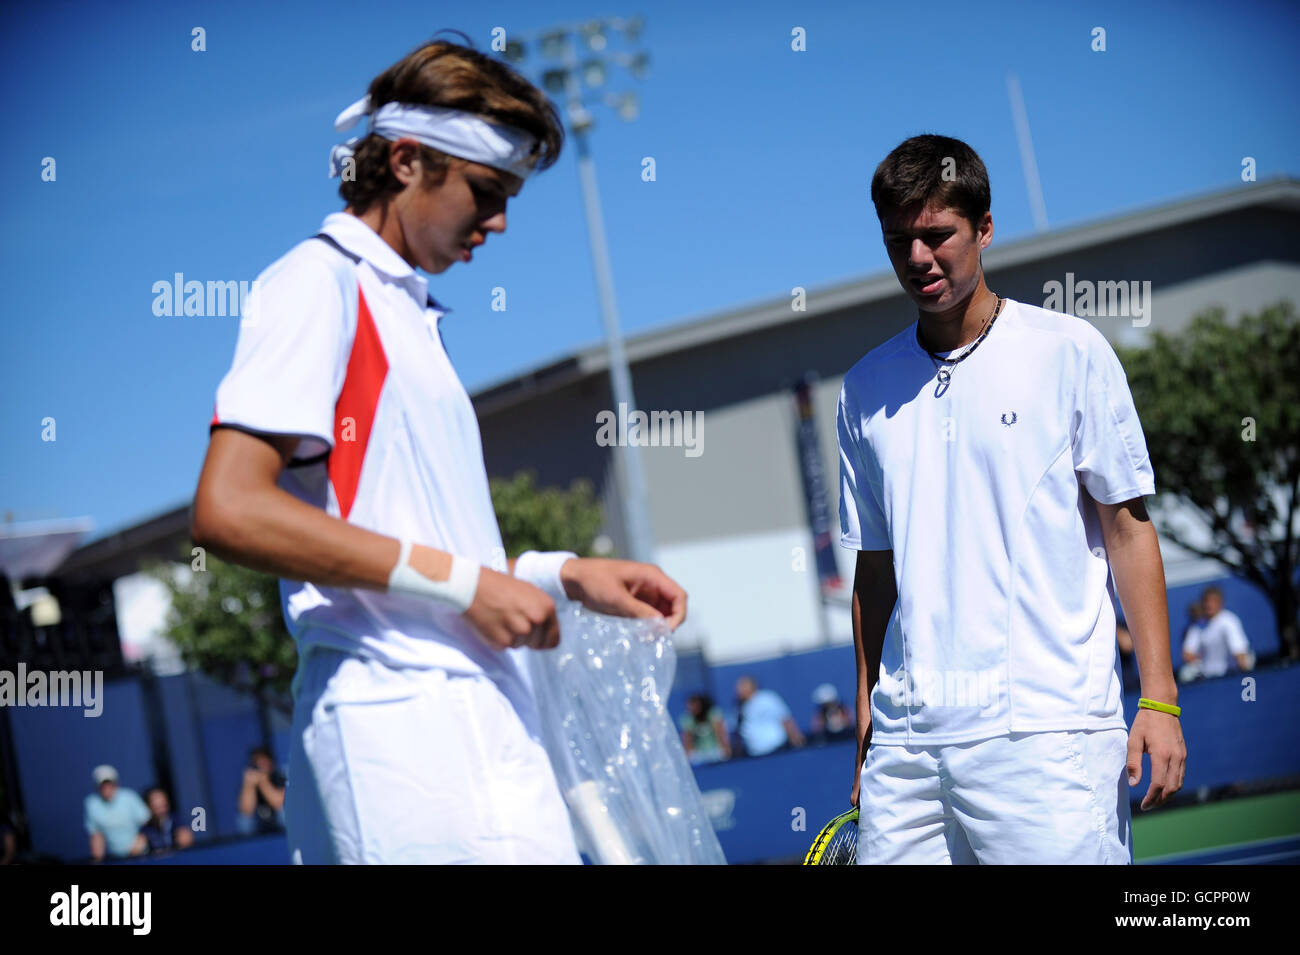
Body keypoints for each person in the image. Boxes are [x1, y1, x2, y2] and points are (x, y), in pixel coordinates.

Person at [190, 36, 687, 865]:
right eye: (486, 192)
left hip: (476, 718)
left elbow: (433, 546)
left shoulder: (407, 312)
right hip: (397, 733)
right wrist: (464, 586)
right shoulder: (319, 281)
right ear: (409, 161)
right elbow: (229, 507)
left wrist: (558, 574)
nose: (497, 222)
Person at [837, 134, 1185, 865]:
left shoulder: (1070, 350)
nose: (919, 258)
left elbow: (1128, 530)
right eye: (899, 240)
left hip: (1048, 733)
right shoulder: (862, 388)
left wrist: (1158, 697)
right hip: (906, 747)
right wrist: (870, 720)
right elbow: (876, 567)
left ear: (984, 228)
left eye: (938, 235)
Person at [1182, 586, 1252, 679]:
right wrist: (1197, 661)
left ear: (1221, 603)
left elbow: (1239, 651)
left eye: (1213, 601)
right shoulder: (1197, 626)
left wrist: (1246, 674)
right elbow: (1187, 653)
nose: (1209, 604)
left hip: (1230, 675)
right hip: (1206, 678)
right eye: (1206, 601)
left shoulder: (1229, 621)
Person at [83, 765, 150, 861]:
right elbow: (96, 836)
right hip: (116, 858)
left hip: (142, 855)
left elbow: (147, 823)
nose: (106, 788)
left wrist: (139, 843)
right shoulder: (92, 803)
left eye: (109, 783)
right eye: (103, 785)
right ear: (97, 786)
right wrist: (97, 860)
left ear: (116, 783)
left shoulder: (129, 797)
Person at [733, 676, 805, 757]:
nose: (738, 689)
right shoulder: (740, 708)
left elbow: (786, 720)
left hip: (778, 750)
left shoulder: (767, 698)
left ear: (752, 686)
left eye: (742, 685)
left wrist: (797, 742)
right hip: (756, 755)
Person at [237, 746, 286, 835]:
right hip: (259, 827)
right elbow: (246, 811)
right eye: (257, 763)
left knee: (284, 813)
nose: (261, 766)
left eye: (264, 762)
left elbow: (279, 803)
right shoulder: (250, 783)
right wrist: (249, 785)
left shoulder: (280, 777)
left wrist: (264, 782)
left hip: (281, 826)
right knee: (244, 821)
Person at [678, 693, 731, 764]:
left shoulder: (713, 714)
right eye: (690, 706)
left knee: (722, 754)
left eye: (695, 705)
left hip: (715, 751)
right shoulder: (688, 720)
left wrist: (725, 748)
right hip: (700, 754)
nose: (692, 708)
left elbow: (721, 733)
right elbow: (688, 740)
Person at [140, 787, 195, 853]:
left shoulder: (177, 820)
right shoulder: (146, 828)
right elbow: (137, 848)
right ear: (149, 806)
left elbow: (186, 838)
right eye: (156, 806)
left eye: (162, 805)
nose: (160, 808)